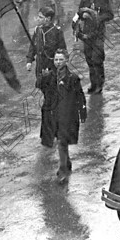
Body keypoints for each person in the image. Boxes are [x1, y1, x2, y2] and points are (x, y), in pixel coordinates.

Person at [40, 49, 87, 183]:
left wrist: (82, 112)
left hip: (68, 115)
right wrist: (43, 78)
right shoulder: (50, 76)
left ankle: (63, 170)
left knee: (61, 142)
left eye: (61, 59)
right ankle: (67, 162)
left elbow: (80, 96)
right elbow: (42, 89)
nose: (58, 62)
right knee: (61, 141)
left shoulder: (72, 78)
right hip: (54, 115)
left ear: (66, 60)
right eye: (56, 60)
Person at [74, 0, 113, 94]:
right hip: (87, 32)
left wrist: (96, 17)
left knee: (97, 59)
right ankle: (93, 83)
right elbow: (79, 13)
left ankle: (99, 84)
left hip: (98, 33)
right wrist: (83, 15)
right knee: (89, 58)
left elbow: (110, 14)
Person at [26, 7, 67, 92]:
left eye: (40, 17)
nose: (38, 19)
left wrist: (59, 66)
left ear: (48, 19)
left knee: (53, 91)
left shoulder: (57, 31)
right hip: (40, 65)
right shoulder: (38, 30)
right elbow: (33, 46)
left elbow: (62, 51)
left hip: (52, 66)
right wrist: (29, 60)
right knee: (43, 89)